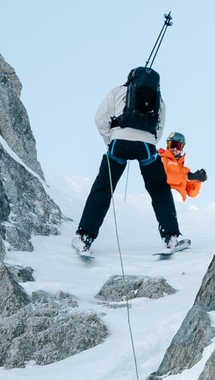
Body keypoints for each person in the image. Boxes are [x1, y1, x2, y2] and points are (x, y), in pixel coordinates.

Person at [75, 66, 192, 259]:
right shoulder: (158, 98)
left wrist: (111, 139)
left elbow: (100, 118)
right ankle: (170, 237)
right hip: (146, 146)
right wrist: (148, 141)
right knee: (159, 189)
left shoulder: (117, 91)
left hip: (118, 143)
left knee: (103, 189)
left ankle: (85, 237)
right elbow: (159, 128)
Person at [160, 132, 208, 204]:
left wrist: (198, 180)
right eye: (172, 145)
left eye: (178, 146)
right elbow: (162, 177)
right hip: (164, 199)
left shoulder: (184, 170)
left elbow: (192, 194)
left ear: (182, 148)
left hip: (179, 203)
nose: (175, 149)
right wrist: (187, 176)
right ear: (168, 145)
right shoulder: (161, 160)